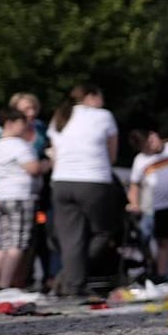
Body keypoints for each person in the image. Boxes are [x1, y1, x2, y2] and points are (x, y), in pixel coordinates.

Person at [49, 85, 123, 296]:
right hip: (93, 181)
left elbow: (55, 152)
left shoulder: (60, 116)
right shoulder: (103, 116)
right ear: (91, 96)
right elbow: (112, 156)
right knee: (103, 232)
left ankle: (73, 283)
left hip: (62, 181)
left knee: (71, 239)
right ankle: (70, 277)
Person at [0, 108, 45, 290]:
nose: (25, 128)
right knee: (18, 243)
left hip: (1, 196)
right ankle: (5, 285)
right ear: (11, 123)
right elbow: (34, 169)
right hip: (19, 197)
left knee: (2, 242)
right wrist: (50, 162)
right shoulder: (18, 145)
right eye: (22, 124)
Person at [128, 131, 168, 281]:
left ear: (155, 134)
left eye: (151, 140)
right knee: (162, 242)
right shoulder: (140, 160)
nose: (151, 146)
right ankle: (161, 276)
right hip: (156, 207)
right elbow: (134, 185)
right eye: (147, 145)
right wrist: (134, 203)